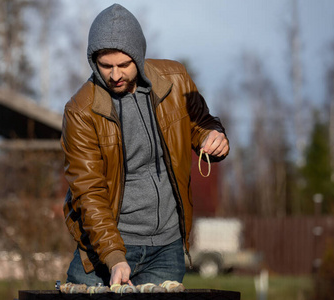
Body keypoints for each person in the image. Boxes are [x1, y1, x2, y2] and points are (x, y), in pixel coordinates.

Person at [61, 4, 229, 287]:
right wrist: (114, 257)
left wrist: (213, 137)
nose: (115, 75)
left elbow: (200, 123)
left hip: (167, 246)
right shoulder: (80, 111)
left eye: (123, 65)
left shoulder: (175, 79)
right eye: (106, 66)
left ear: (138, 56)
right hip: (107, 247)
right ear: (94, 62)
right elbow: (88, 192)